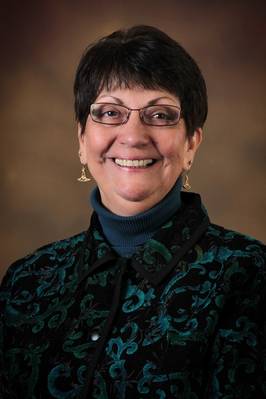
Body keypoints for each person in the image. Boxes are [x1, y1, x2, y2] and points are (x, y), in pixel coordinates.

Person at [0, 25, 265, 399]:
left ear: (192, 142)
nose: (133, 135)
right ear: (81, 139)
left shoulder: (249, 274)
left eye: (160, 115)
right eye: (109, 112)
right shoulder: (27, 281)